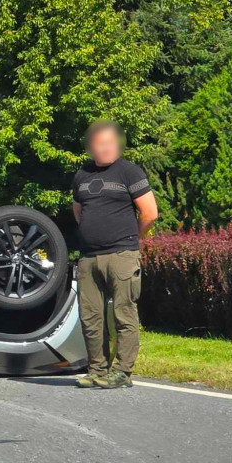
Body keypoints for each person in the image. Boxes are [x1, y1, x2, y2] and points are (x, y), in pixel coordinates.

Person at [72, 120, 158, 389]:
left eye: (110, 142)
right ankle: (97, 369)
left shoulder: (129, 171)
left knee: (124, 314)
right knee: (90, 317)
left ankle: (122, 371)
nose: (106, 147)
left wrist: (135, 239)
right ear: (91, 147)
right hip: (88, 258)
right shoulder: (81, 176)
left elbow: (150, 212)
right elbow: (78, 211)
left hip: (122, 255)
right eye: (100, 143)